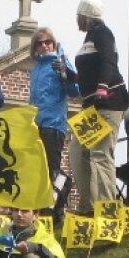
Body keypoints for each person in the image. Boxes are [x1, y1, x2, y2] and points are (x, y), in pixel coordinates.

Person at [70, 0, 129, 214]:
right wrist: (70, 76)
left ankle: (108, 211)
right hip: (91, 107)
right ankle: (89, 206)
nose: (76, 20)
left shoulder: (103, 33)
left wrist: (103, 88)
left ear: (85, 16)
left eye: (78, 16)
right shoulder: (89, 37)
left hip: (109, 102)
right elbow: (89, 70)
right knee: (78, 152)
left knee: (101, 154)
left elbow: (108, 61)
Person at [28, 28, 79, 198]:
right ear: (35, 47)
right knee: (38, 169)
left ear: (53, 43)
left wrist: (64, 73)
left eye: (47, 42)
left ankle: (57, 206)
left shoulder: (60, 61)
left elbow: (74, 91)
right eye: (39, 43)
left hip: (53, 124)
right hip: (36, 125)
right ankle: (47, 202)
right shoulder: (35, 70)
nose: (44, 46)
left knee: (52, 168)